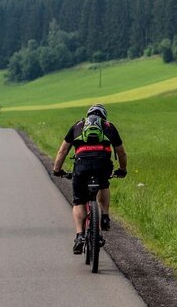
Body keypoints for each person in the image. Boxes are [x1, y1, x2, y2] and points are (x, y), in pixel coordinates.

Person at [52, 103, 127, 254]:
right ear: (104, 116)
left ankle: (80, 235)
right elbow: (121, 152)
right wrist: (122, 169)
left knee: (79, 200)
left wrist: (57, 170)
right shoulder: (109, 126)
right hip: (103, 164)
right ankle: (104, 216)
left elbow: (62, 151)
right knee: (104, 184)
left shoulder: (78, 125)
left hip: (82, 165)